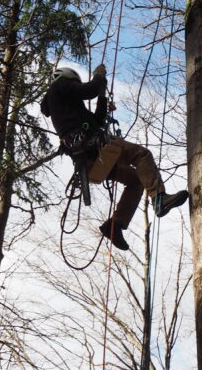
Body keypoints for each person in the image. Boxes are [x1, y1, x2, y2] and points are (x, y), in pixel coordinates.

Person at [40, 65, 188, 250]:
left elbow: (98, 120)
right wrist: (98, 76)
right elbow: (89, 90)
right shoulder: (59, 85)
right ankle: (159, 198)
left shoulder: (67, 106)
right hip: (93, 145)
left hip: (89, 158)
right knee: (141, 154)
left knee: (136, 181)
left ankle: (114, 225)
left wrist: (102, 96)